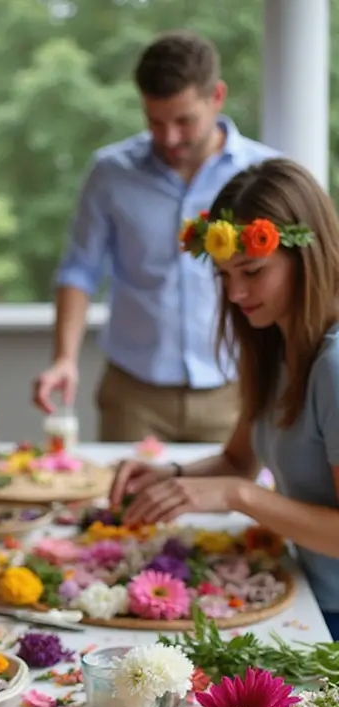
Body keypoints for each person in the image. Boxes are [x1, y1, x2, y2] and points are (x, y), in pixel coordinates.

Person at [110, 157, 339, 640]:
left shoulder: (334, 365)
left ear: (307, 258)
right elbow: (238, 461)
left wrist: (238, 495)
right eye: (223, 276)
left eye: (252, 271)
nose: (235, 293)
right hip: (302, 589)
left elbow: (239, 484)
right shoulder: (276, 342)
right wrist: (171, 476)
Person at [33, 30, 277, 443]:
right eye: (155, 122)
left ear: (217, 97)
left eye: (184, 121)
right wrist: (63, 359)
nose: (169, 138)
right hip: (134, 395)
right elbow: (79, 270)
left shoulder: (265, 173)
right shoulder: (110, 173)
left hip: (236, 389)